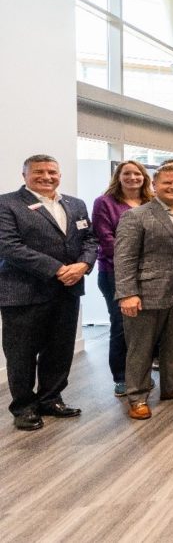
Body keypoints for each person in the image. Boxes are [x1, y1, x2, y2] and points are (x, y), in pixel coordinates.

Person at [0, 155, 97, 431]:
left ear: (60, 174)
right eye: (38, 172)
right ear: (24, 175)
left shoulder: (75, 205)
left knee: (60, 349)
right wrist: (57, 269)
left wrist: (84, 264)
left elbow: (90, 239)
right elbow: (8, 246)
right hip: (23, 292)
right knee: (21, 353)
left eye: (52, 172)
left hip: (67, 291)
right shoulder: (6, 204)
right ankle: (24, 407)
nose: (46, 177)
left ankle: (50, 398)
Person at [115, 163, 173, 420]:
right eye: (167, 183)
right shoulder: (136, 216)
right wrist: (126, 294)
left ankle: (172, 386)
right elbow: (124, 258)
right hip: (146, 293)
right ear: (155, 185)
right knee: (141, 348)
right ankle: (137, 396)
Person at [92, 160, 153, 397]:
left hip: (148, 275)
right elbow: (106, 240)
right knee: (121, 326)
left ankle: (140, 375)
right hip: (114, 273)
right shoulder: (104, 203)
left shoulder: (151, 202)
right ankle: (121, 377)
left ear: (144, 177)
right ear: (118, 176)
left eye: (137, 173)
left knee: (144, 329)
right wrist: (138, 261)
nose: (132, 177)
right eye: (126, 173)